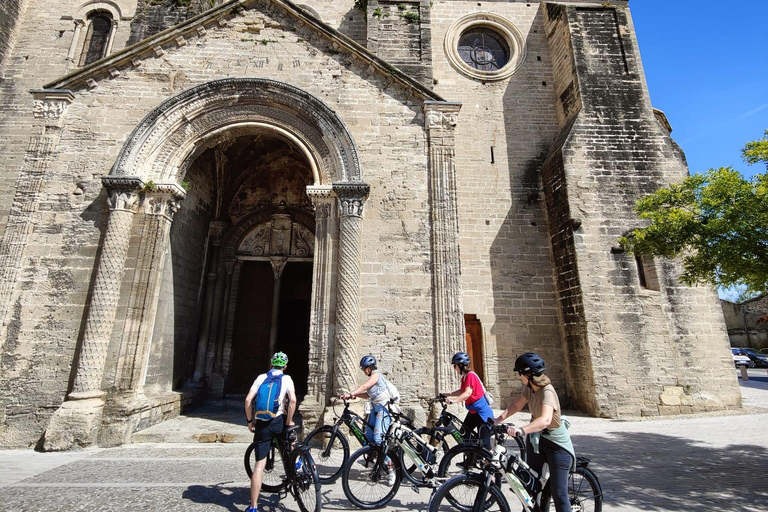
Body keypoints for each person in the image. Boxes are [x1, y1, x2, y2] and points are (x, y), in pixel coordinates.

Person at [495, 353, 575, 512]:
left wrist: (521, 430)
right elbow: (516, 405)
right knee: (530, 487)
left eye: (520, 373)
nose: (519, 377)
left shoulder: (547, 391)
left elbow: (545, 420)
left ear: (528, 374)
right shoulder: (530, 388)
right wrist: (498, 420)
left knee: (559, 494)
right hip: (537, 441)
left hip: (556, 445)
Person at [243, 351, 297, 512]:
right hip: (278, 422)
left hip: (262, 424)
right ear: (285, 366)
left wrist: (250, 421)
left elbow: (247, 400)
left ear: (271, 364)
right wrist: (288, 421)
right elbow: (293, 400)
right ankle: (298, 462)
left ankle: (253, 507)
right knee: (292, 433)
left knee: (259, 465)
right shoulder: (286, 379)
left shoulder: (261, 378)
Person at [340, 355, 396, 485]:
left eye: (365, 368)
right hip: (375, 409)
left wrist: (351, 393)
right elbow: (368, 394)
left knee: (378, 439)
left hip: (384, 409)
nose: (364, 371)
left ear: (370, 368)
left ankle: (391, 467)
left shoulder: (376, 375)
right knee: (368, 437)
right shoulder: (372, 378)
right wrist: (355, 395)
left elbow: (365, 387)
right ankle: (371, 461)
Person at [440, 351, 494, 449]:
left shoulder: (471, 375)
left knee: (485, 444)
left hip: (482, 413)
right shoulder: (464, 378)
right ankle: (469, 461)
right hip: (473, 412)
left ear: (461, 365)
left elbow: (467, 393)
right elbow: (462, 390)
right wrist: (447, 394)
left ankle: (490, 463)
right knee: (464, 435)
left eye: (455, 366)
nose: (454, 368)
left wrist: (454, 401)